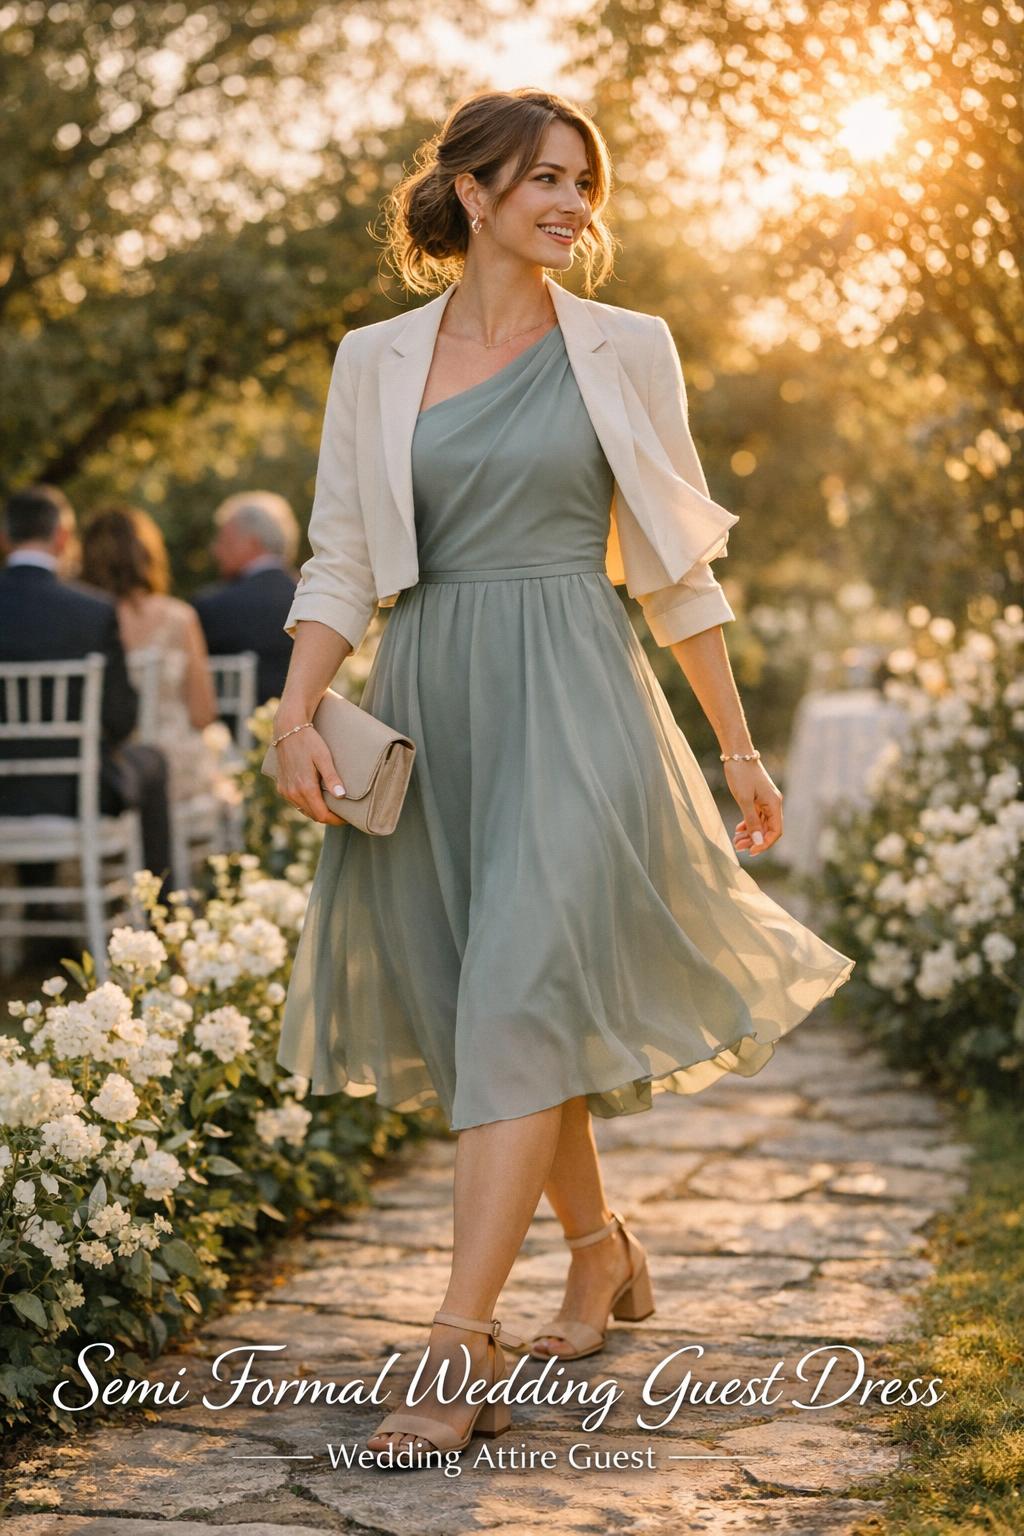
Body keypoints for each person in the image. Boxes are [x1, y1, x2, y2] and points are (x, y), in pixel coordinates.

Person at [268, 88, 857, 1466]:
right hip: (433, 699)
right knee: (500, 1006)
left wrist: (736, 746)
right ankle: (599, 1253)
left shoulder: (626, 348)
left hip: (579, 694)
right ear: (469, 192)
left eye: (583, 184)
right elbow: (343, 553)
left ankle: (454, 1347)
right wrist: (297, 711)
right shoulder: (374, 360)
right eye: (541, 179)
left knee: (526, 986)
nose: (571, 206)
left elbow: (673, 561)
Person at [0, 485, 172, 912]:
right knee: (151, 760)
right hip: (79, 793)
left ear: (5, 537)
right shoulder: (92, 610)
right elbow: (120, 717)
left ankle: (40, 914)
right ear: (61, 536)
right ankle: (161, 910)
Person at [79, 504, 222, 804]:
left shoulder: (80, 620)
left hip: (105, 770)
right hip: (176, 769)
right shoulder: (179, 617)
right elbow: (202, 714)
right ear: (147, 554)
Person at [192, 491, 298, 705]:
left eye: (224, 540)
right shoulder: (309, 597)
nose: (216, 550)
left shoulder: (213, 606)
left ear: (252, 543)